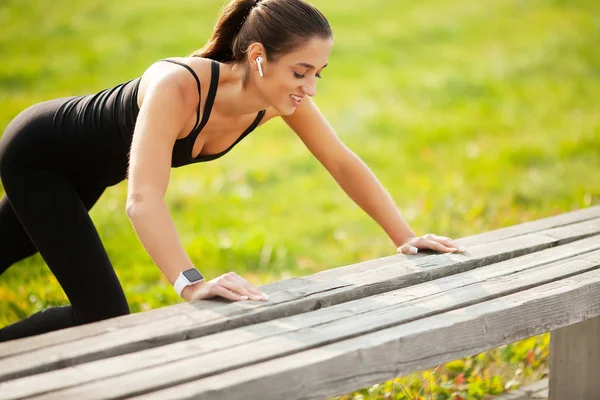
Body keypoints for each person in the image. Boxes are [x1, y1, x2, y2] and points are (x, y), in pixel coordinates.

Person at [0, 0, 466, 342]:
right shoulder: (177, 87)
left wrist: (404, 235)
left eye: (319, 73)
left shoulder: (276, 99)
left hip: (87, 171)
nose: (311, 88)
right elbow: (143, 199)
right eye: (302, 71)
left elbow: (341, 161)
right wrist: (192, 283)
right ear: (259, 57)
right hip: (39, 158)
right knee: (102, 315)